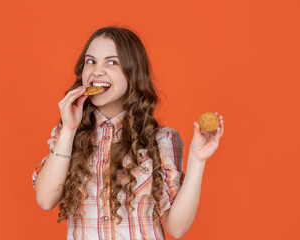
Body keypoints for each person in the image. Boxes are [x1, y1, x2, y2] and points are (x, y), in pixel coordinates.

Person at [32, 26, 224, 240]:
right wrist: (68, 129)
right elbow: (45, 199)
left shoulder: (162, 139)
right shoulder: (68, 135)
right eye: (90, 61)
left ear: (133, 72)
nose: (97, 71)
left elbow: (176, 228)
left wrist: (197, 160)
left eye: (112, 62)